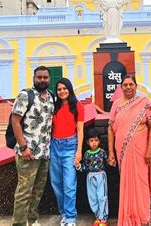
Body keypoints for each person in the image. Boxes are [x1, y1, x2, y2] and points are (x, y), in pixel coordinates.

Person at [107, 75, 151, 225]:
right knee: (126, 182)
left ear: (136, 86)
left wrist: (149, 149)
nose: (128, 87)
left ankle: (143, 217)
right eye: (125, 85)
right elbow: (110, 129)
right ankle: (128, 216)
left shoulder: (144, 103)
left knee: (141, 182)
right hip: (122, 150)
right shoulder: (116, 104)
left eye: (131, 84)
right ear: (121, 87)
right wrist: (110, 152)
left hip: (141, 150)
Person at [11, 66, 54, 226]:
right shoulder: (25, 95)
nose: (42, 80)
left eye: (45, 77)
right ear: (34, 78)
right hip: (27, 152)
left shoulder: (50, 97)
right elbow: (15, 121)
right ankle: (19, 223)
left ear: (49, 79)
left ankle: (32, 220)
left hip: (44, 152)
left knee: (38, 190)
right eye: (39, 77)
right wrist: (23, 147)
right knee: (24, 191)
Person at [50, 78, 85, 226]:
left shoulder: (77, 106)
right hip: (54, 147)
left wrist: (79, 152)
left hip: (70, 147)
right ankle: (63, 213)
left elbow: (80, 130)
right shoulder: (54, 107)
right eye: (59, 89)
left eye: (65, 88)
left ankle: (71, 218)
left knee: (69, 185)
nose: (62, 91)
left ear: (69, 89)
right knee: (56, 184)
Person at [77, 128, 109, 226]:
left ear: (99, 141)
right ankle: (97, 217)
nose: (94, 143)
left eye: (96, 140)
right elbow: (85, 167)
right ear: (87, 142)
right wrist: (78, 166)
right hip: (90, 177)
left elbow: (108, 162)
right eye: (91, 141)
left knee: (102, 197)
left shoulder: (102, 152)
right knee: (93, 197)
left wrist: (112, 162)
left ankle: (103, 218)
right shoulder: (86, 154)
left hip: (101, 176)